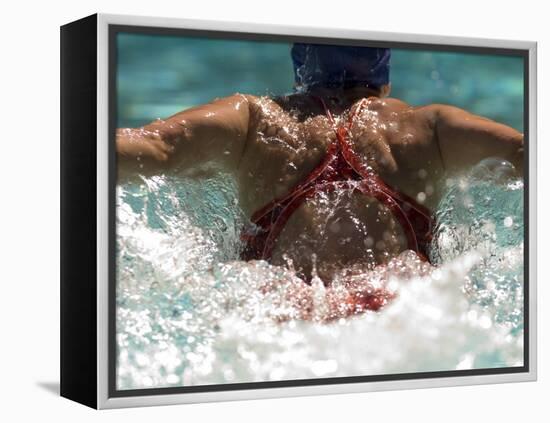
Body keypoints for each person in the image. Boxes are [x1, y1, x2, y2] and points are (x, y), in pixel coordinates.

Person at [116, 43, 523, 320]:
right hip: (398, 314)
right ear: (385, 77)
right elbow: (526, 154)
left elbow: (152, 148)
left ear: (301, 66)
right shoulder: (429, 128)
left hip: (287, 313)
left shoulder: (255, 120)